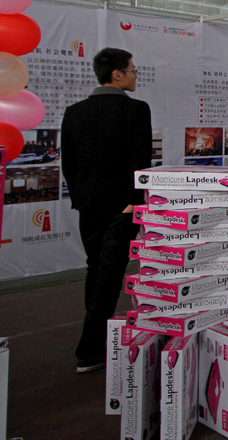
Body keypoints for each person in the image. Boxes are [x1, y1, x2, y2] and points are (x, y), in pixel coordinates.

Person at [62, 48, 152, 373]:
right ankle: (89, 350)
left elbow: (69, 164)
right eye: (132, 70)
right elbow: (141, 161)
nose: (135, 76)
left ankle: (97, 341)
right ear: (117, 74)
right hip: (121, 207)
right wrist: (133, 201)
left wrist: (81, 197)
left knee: (96, 268)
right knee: (109, 276)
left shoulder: (74, 112)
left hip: (89, 205)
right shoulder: (136, 109)